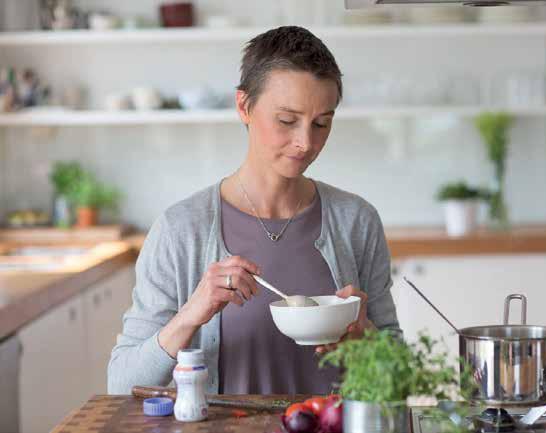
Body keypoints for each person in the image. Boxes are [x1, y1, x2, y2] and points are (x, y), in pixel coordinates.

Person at [107, 26, 401, 396]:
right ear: (244, 106)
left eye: (322, 123)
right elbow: (120, 385)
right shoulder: (180, 230)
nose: (305, 142)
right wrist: (192, 314)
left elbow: (399, 379)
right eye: (287, 120)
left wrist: (368, 340)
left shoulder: (357, 221)